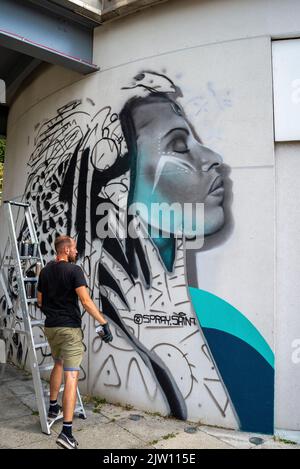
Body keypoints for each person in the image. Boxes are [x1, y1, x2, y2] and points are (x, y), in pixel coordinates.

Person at [37, 235, 113, 449]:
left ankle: (53, 408)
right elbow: (86, 301)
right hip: (69, 329)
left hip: (51, 328)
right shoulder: (74, 271)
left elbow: (40, 301)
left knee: (58, 364)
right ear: (67, 250)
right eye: (75, 249)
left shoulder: (45, 271)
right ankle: (66, 433)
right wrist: (103, 322)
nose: (77, 252)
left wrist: (54, 312)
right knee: (72, 376)